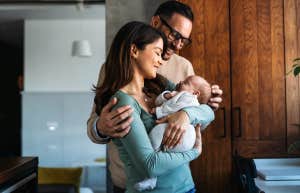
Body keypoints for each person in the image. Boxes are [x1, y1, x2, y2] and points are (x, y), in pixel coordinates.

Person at [87, 1, 223, 192]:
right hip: (130, 181)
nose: (177, 45)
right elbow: (93, 124)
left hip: (181, 182)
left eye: (184, 40)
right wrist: (101, 127)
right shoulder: (113, 75)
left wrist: (188, 114)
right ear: (156, 22)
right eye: (175, 35)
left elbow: (202, 118)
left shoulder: (181, 69)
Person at [134, 75, 212, 192]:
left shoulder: (186, 96)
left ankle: (151, 178)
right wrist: (168, 95)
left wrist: (185, 115)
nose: (180, 81)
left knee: (155, 137)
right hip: (139, 181)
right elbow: (162, 101)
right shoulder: (178, 92)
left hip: (184, 185)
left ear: (195, 93)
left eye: (186, 82)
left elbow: (208, 112)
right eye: (157, 55)